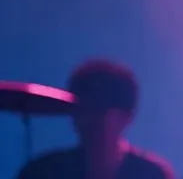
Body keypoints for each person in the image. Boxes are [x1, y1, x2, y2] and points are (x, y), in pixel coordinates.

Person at [14, 60, 173, 179]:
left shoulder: (152, 174)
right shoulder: (43, 172)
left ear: (126, 117)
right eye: (80, 110)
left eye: (98, 112)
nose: (85, 120)